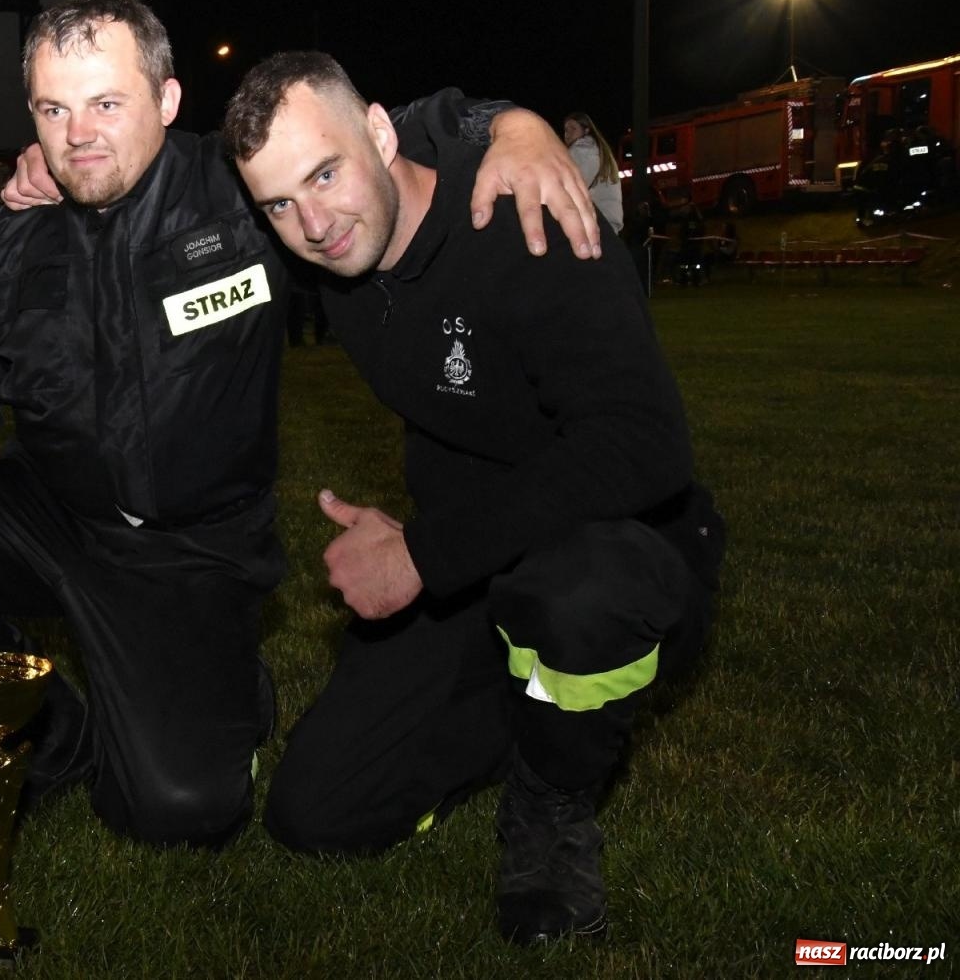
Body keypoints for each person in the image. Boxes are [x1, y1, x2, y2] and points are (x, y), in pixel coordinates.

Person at [0, 0, 602, 850]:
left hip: (187, 553)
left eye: (107, 103)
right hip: (51, 514)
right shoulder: (12, 241)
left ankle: (228, 689)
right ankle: (44, 734)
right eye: (53, 109)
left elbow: (378, 136)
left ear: (168, 100)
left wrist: (511, 125)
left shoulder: (246, 195)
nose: (78, 135)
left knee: (179, 811)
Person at [223, 52, 723, 942]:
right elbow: (167, 163)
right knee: (317, 816)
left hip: (617, 540)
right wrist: (54, 166)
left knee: (577, 598)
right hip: (473, 555)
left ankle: (550, 805)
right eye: (280, 204)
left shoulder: (522, 214)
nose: (314, 223)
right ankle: (531, 703)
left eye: (326, 173)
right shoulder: (330, 244)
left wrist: (419, 555)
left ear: (378, 135)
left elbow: (646, 447)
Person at [562, 111, 623, 233]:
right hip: (606, 221)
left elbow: (573, 186)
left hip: (596, 223)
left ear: (586, 130)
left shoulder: (584, 150)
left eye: (573, 128)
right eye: (566, 130)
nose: (567, 134)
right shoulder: (597, 150)